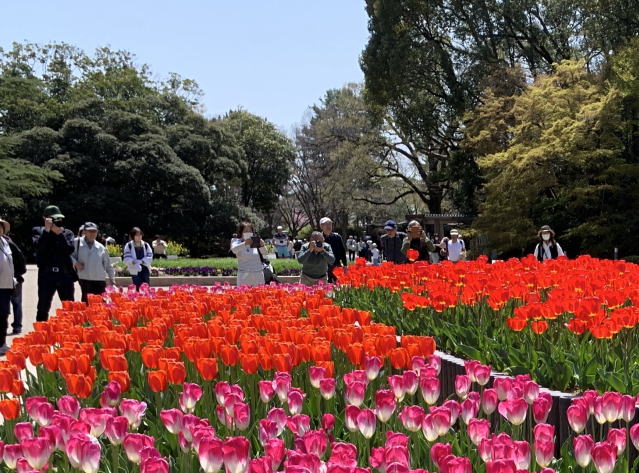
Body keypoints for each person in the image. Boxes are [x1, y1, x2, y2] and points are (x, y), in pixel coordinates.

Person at [32, 205, 76, 322]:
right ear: (45, 218)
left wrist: (59, 235)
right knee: (43, 307)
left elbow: (69, 250)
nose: (57, 221)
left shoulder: (67, 233)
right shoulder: (39, 231)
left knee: (69, 306)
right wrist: (47, 231)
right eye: (53, 219)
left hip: (64, 275)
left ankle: (70, 330)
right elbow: (38, 248)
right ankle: (41, 330)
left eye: (59, 218)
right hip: (46, 275)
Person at [72, 222, 116, 303]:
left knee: (100, 304)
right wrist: (75, 263)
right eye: (90, 231)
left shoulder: (101, 247)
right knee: (86, 303)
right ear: (84, 231)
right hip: (84, 279)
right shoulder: (76, 242)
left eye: (94, 231)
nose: (92, 234)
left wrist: (112, 278)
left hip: (99, 280)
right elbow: (67, 255)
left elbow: (108, 265)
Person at [0, 219, 26, 337]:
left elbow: (20, 257)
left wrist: (17, 274)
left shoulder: (7, 242)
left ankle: (17, 326)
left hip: (13, 278)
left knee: (16, 302)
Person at [230, 222, 267, 286]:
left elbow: (265, 253)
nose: (248, 233)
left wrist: (262, 245)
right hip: (243, 275)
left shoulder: (256, 240)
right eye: (246, 231)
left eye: (250, 231)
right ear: (241, 232)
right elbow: (234, 250)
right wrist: (245, 243)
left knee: (259, 291)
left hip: (258, 274)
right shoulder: (236, 241)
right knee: (243, 292)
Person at [319, 217, 347, 283]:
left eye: (330, 224)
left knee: (338, 286)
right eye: (326, 224)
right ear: (321, 226)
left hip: (337, 265)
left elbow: (342, 252)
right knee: (325, 286)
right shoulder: (318, 238)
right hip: (323, 267)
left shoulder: (337, 237)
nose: (328, 226)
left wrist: (345, 265)